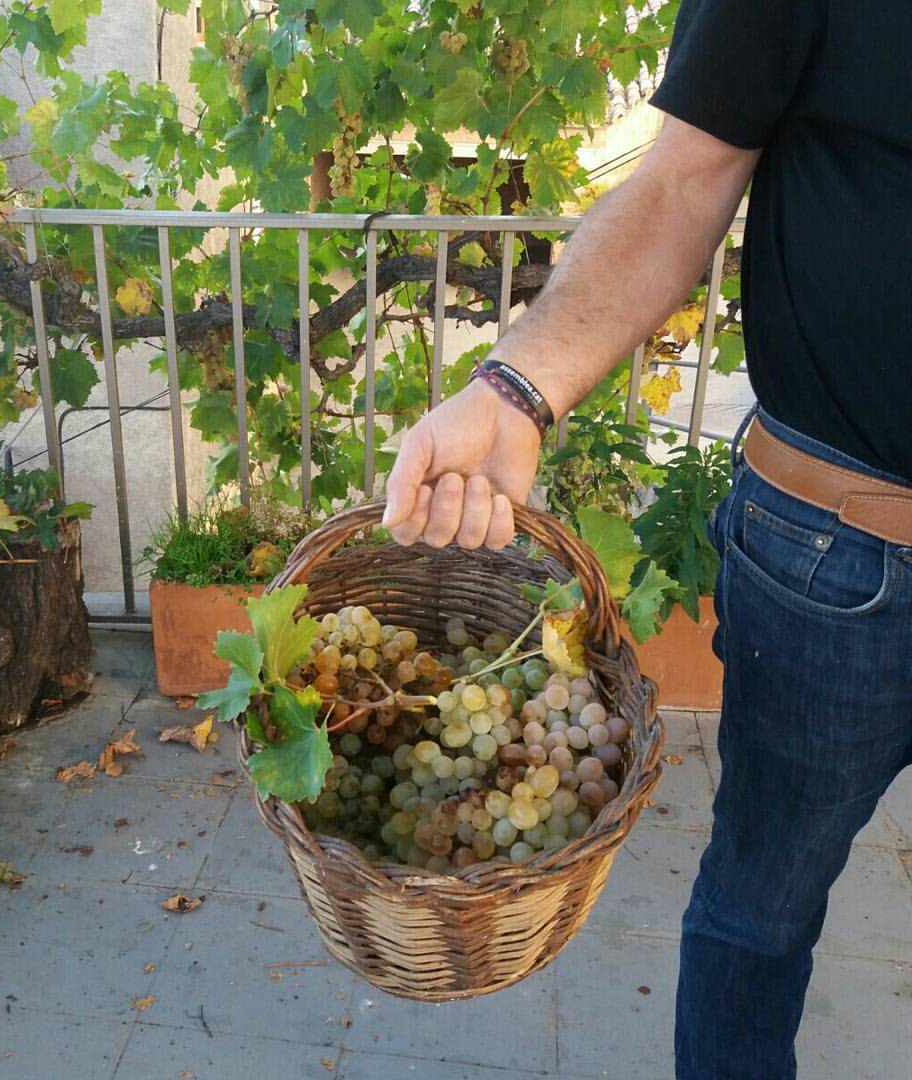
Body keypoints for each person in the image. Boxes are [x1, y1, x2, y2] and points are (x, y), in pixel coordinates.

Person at [383, 2, 912, 1077]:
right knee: (761, 910)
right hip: (834, 558)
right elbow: (682, 181)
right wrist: (517, 388)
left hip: (833, 555)